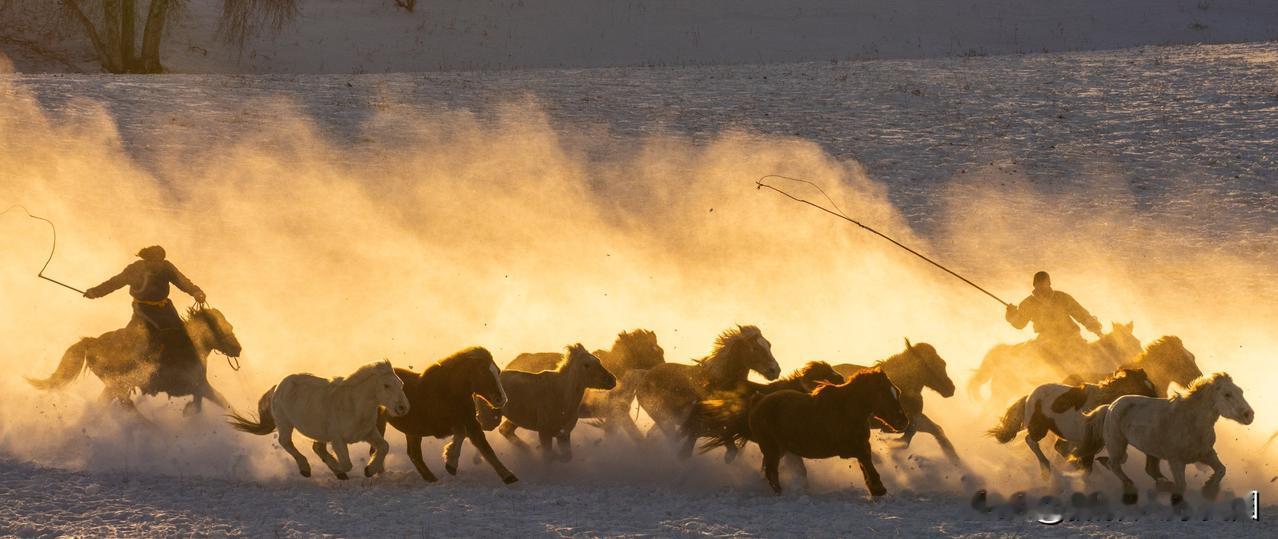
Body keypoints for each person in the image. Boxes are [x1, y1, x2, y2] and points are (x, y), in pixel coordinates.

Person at [83, 245, 206, 393]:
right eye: (153, 261)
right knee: (141, 339)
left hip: (165, 308)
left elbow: (183, 281)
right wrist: (95, 292)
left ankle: (185, 371)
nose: (157, 265)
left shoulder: (166, 267)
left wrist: (196, 291)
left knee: (182, 335)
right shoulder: (134, 269)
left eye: (160, 261)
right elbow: (114, 282)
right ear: (146, 261)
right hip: (143, 310)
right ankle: (139, 373)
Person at [1005, 270, 1102, 371]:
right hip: (1046, 341)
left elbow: (1081, 314)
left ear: (1049, 283)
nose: (1041, 287)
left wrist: (1097, 330)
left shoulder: (1061, 297)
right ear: (1034, 285)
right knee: (1037, 363)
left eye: (1044, 283)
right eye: (1038, 284)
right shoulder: (1028, 304)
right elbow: (1019, 324)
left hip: (1072, 338)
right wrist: (1012, 313)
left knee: (1088, 360)